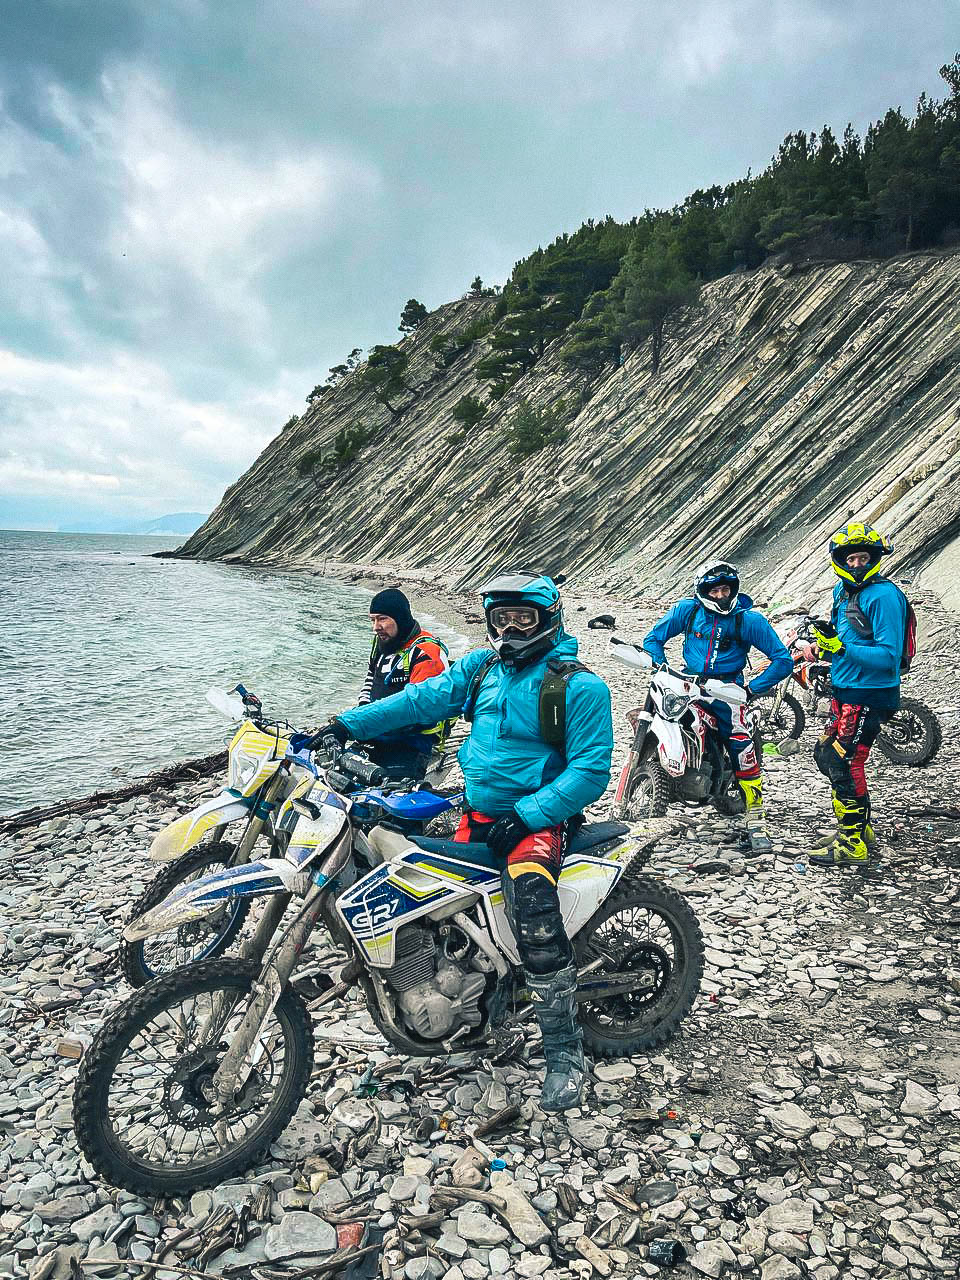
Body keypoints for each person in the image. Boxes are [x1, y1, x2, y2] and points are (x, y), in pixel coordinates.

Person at [318, 572, 613, 1112]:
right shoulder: (481, 669)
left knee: (534, 914)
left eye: (523, 616)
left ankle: (567, 1054)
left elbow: (592, 770)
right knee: (430, 904)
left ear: (549, 617)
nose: (511, 628)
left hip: (539, 822)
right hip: (476, 813)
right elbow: (418, 703)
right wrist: (344, 725)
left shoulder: (577, 685)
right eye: (501, 618)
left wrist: (528, 815)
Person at [642, 561, 793, 854]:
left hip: (728, 689)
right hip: (688, 682)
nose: (721, 595)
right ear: (703, 591)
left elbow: (782, 660)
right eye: (715, 590)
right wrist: (660, 665)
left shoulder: (748, 620)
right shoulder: (687, 610)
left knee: (739, 741)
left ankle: (756, 817)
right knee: (662, 716)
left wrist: (750, 690)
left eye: (726, 589)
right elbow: (654, 638)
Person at [808, 523, 905, 867]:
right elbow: (848, 642)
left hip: (871, 692)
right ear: (840, 561)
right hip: (848, 690)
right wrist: (825, 647)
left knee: (843, 761)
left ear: (875, 558)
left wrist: (841, 647)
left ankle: (853, 844)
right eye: (851, 558)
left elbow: (889, 656)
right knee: (826, 754)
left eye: (864, 557)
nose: (857, 564)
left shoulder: (883, 596)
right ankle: (860, 830)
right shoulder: (842, 592)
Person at [355, 587, 451, 780]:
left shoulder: (426, 653)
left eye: (382, 619)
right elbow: (370, 679)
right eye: (372, 619)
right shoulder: (382, 643)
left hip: (411, 744)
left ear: (400, 618)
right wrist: (361, 715)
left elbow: (420, 711)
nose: (376, 627)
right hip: (378, 734)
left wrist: (370, 723)